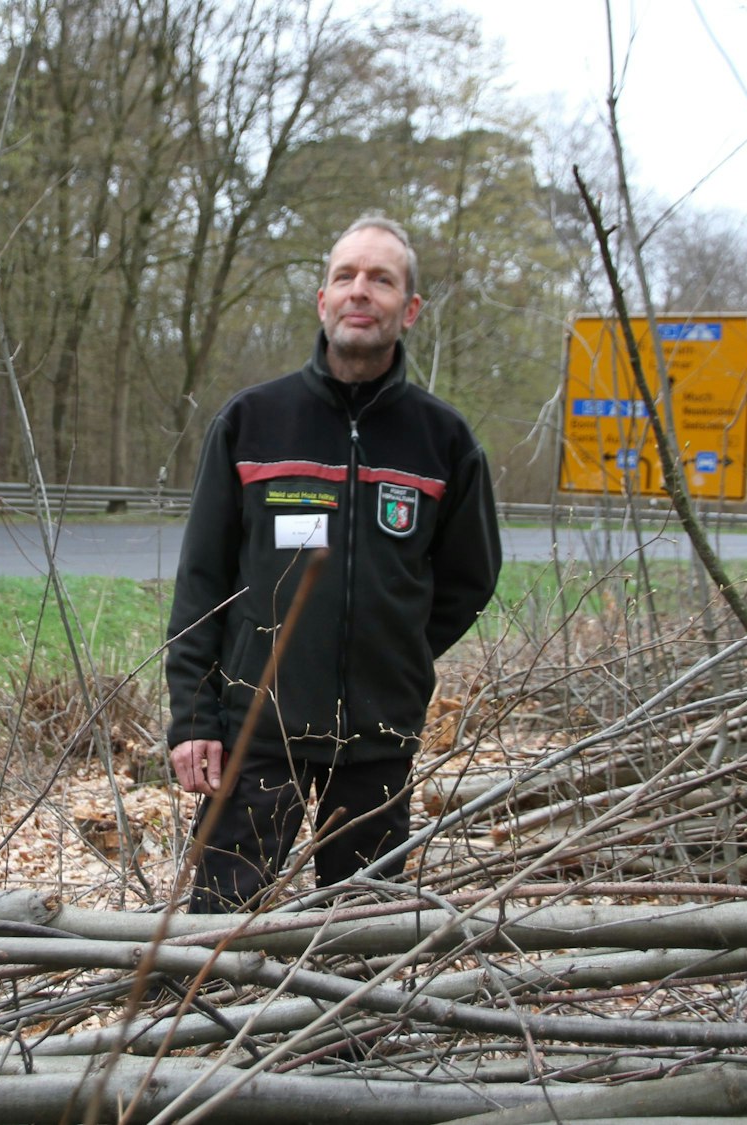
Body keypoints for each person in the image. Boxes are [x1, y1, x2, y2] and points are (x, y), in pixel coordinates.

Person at [164, 215, 502, 913]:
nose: (360, 291)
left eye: (381, 279)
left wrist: (393, 646)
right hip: (259, 728)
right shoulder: (253, 422)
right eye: (346, 275)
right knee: (217, 932)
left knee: (360, 936)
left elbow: (470, 580)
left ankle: (347, 1029)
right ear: (322, 300)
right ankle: (212, 1027)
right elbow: (203, 580)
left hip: (379, 738)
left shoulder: (443, 441)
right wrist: (193, 715)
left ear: (408, 310)